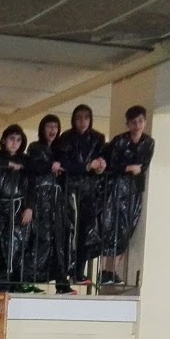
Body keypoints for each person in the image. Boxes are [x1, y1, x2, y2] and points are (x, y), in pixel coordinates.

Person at [95, 105, 154, 285]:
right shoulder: (119, 141)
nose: (137, 125)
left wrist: (133, 169)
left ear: (145, 122)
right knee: (110, 226)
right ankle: (105, 270)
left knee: (126, 230)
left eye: (140, 121)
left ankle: (112, 271)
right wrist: (128, 168)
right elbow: (112, 164)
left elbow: (143, 166)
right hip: (115, 188)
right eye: (134, 122)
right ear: (128, 124)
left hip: (133, 190)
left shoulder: (149, 142)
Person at [54, 103, 106, 283]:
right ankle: (66, 271)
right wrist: (87, 166)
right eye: (79, 118)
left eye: (86, 118)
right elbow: (65, 164)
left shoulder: (98, 138)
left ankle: (79, 271)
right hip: (70, 189)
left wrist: (100, 167)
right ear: (73, 120)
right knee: (70, 229)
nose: (82, 121)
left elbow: (101, 160)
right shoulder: (66, 138)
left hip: (89, 190)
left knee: (87, 230)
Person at [0, 125, 33, 286]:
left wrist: (29, 207)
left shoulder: (26, 161)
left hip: (18, 209)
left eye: (18, 140)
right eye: (11, 139)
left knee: (17, 247)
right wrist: (8, 164)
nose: (14, 143)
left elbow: (31, 184)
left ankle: (15, 284)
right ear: (4, 140)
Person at [24, 114, 73, 292]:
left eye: (55, 126)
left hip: (57, 201)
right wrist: (51, 166)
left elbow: (69, 168)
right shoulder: (35, 147)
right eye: (49, 126)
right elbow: (33, 169)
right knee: (40, 238)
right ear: (42, 128)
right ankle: (28, 279)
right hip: (40, 198)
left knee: (59, 240)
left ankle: (61, 282)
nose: (52, 130)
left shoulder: (61, 149)